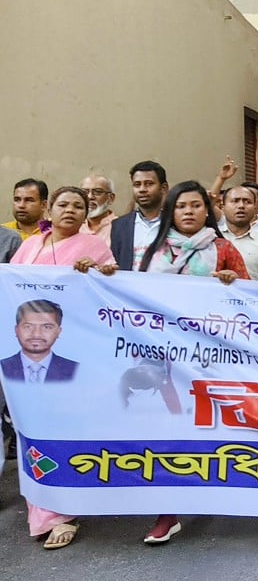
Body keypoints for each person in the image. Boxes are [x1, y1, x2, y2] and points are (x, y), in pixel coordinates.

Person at [136, 181, 250, 545]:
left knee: (211, 429)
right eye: (181, 205)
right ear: (171, 210)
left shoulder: (223, 249)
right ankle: (167, 513)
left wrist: (232, 285)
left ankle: (219, 491)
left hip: (210, 359)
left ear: (208, 211)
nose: (188, 211)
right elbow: (134, 296)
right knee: (167, 432)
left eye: (196, 206)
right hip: (162, 359)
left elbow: (249, 300)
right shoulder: (154, 251)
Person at [7, 187, 116, 551]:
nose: (70, 210)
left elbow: (110, 289)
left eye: (78, 206)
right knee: (29, 427)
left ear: (87, 214)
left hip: (69, 353)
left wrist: (97, 274)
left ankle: (63, 512)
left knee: (60, 427)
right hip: (25, 352)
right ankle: (40, 507)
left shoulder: (94, 246)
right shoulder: (30, 244)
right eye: (63, 204)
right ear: (49, 209)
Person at [110, 161, 169, 270]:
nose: (142, 189)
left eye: (149, 184)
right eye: (137, 184)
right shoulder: (119, 226)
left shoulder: (173, 223)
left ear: (163, 188)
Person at [79, 175, 117, 243]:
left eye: (97, 192)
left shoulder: (121, 226)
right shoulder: (75, 225)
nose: (90, 197)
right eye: (85, 192)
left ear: (110, 198)